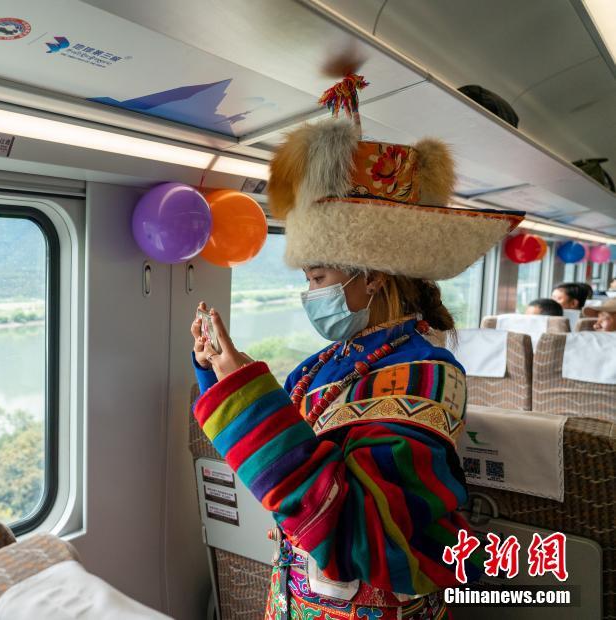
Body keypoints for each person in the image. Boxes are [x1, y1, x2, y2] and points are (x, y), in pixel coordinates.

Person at [189, 73, 523, 620]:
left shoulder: (428, 374)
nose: (310, 295)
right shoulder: (322, 364)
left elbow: (359, 527)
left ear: (372, 277)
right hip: (298, 598)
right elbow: (286, 454)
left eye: (319, 278)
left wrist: (247, 396)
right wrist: (225, 374)